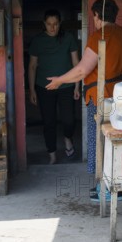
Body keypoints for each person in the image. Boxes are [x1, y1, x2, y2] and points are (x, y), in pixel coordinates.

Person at [45, 0, 122, 201]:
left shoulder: (99, 37)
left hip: (101, 98)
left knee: (100, 143)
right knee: (117, 142)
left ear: (96, 16)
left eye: (94, 16)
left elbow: (82, 70)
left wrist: (59, 80)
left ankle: (104, 189)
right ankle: (118, 187)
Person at [28, 9, 80, 165]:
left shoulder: (68, 38)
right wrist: (32, 90)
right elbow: (32, 66)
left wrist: (77, 86)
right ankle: (52, 154)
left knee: (69, 120)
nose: (52, 28)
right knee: (48, 122)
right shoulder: (38, 41)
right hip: (44, 88)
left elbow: (76, 64)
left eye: (55, 24)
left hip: (67, 86)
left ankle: (67, 138)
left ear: (60, 24)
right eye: (49, 24)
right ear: (44, 24)